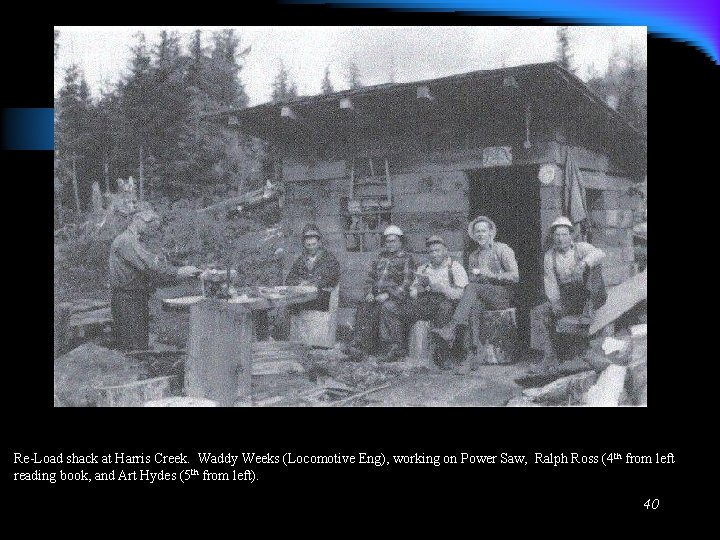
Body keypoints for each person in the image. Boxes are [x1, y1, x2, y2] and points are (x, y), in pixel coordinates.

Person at [432, 216, 519, 369]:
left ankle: (451, 327)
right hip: (482, 294)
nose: (480, 235)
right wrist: (477, 278)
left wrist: (491, 275)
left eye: (483, 231)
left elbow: (515, 276)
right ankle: (471, 354)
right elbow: (472, 278)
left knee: (471, 288)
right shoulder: (474, 255)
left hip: (503, 295)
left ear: (491, 232)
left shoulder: (502, 249)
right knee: (473, 307)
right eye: (477, 232)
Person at [109, 209, 200, 351]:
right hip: (127, 299)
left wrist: (177, 271)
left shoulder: (135, 240)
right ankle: (136, 371)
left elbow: (153, 265)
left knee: (139, 341)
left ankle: (139, 368)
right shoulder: (126, 241)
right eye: (150, 226)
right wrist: (180, 272)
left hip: (136, 297)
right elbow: (150, 267)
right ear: (138, 221)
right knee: (134, 346)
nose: (151, 231)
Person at [534, 216, 606, 371]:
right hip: (569, 297)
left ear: (571, 235)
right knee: (541, 312)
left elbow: (600, 253)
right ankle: (550, 357)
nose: (561, 239)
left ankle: (588, 310)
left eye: (564, 234)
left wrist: (583, 264)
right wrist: (555, 302)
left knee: (594, 267)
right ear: (553, 237)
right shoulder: (549, 256)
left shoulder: (581, 248)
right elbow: (550, 281)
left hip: (591, 295)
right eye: (557, 235)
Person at [345, 225, 416, 362]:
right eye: (387, 241)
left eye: (393, 241)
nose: (390, 244)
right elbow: (370, 278)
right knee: (364, 306)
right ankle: (359, 347)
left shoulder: (407, 258)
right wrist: (369, 292)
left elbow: (407, 283)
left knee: (387, 308)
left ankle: (393, 348)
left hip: (397, 298)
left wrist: (389, 295)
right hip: (377, 295)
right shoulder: (380, 257)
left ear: (400, 242)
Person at [407, 235, 469, 369]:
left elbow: (461, 294)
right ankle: (412, 355)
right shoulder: (423, 269)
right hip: (427, 302)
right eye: (431, 251)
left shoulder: (455, 267)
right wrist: (419, 289)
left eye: (438, 250)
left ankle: (444, 356)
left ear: (445, 250)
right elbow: (412, 292)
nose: (434, 254)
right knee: (405, 309)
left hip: (448, 304)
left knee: (444, 310)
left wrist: (442, 288)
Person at [285, 223, 341, 311]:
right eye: (308, 245)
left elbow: (332, 279)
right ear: (304, 244)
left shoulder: (329, 259)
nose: (311, 248)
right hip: (301, 299)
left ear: (319, 243)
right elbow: (289, 280)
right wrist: (300, 282)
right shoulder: (300, 260)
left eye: (314, 244)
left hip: (320, 300)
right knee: (291, 304)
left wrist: (311, 284)